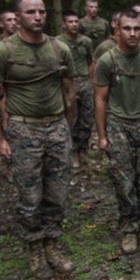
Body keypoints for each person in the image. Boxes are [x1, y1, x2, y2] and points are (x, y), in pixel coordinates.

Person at [0, 0, 76, 280]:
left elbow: (69, 91)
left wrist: (66, 127)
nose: (37, 17)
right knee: (29, 194)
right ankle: (35, 248)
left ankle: (52, 244)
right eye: (30, 12)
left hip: (56, 126)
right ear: (18, 17)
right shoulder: (4, 52)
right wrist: (0, 138)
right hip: (24, 129)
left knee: (57, 192)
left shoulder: (60, 49)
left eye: (42, 11)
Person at [93, 9, 140, 254]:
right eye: (127, 29)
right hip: (118, 125)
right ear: (117, 30)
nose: (133, 33)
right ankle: (128, 228)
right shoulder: (107, 61)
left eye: (136, 29)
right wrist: (102, 135)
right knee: (123, 181)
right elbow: (100, 99)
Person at [57, 11, 96, 166]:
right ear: (64, 24)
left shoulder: (85, 41)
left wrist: (92, 83)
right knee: (71, 118)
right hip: (68, 83)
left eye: (76, 22)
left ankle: (83, 150)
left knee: (87, 118)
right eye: (70, 22)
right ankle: (71, 152)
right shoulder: (58, 42)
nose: (74, 25)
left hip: (84, 81)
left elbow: (90, 62)